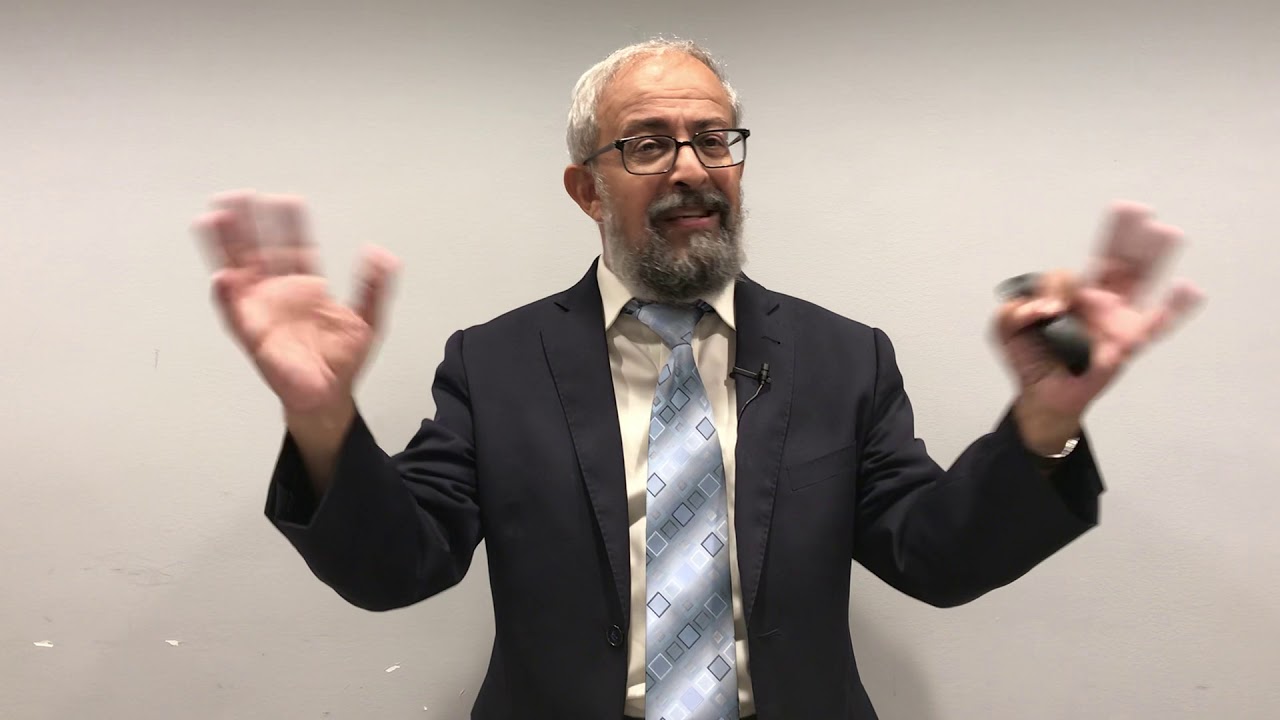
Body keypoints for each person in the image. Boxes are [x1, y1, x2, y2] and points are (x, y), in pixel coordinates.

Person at [194, 38, 1203, 720]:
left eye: (713, 138)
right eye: (647, 144)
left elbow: (933, 557)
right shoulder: (493, 363)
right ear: (585, 188)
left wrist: (1041, 424)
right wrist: (320, 418)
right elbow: (396, 567)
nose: (690, 166)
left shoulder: (843, 357)